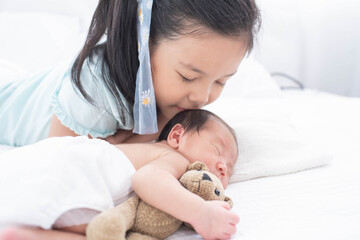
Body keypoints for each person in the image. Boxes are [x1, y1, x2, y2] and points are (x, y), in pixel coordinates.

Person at [0, 0, 260, 147]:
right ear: (141, 47)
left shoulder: (173, 103)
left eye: (221, 81)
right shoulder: (94, 90)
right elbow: (64, 166)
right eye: (187, 77)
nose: (202, 97)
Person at [0, 109, 239, 240]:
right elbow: (148, 180)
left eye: (229, 167)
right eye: (218, 150)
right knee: (101, 232)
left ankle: (21, 232)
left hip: (52, 156)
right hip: (80, 170)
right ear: (177, 137)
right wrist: (201, 212)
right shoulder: (174, 157)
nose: (223, 167)